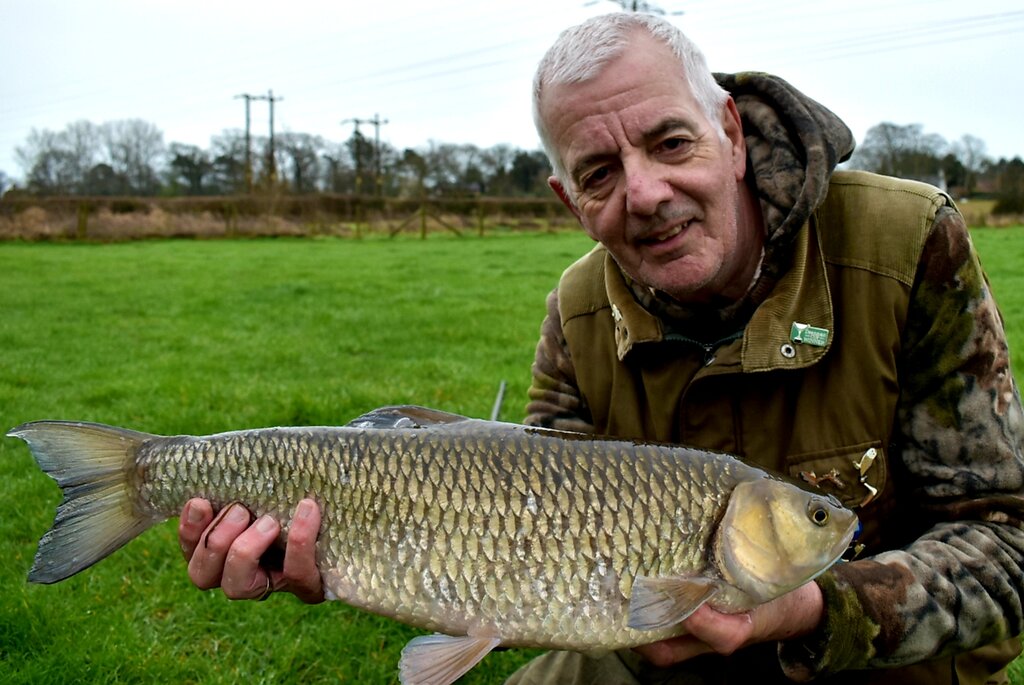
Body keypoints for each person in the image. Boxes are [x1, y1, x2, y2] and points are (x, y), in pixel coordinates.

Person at [178, 12, 1024, 684]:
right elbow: (523, 552)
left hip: (879, 667)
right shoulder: (579, 312)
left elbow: (1008, 546)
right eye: (599, 173)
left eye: (671, 142)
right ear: (568, 200)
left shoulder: (905, 243)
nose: (645, 193)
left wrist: (814, 610)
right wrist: (348, 554)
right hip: (653, 656)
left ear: (730, 132)